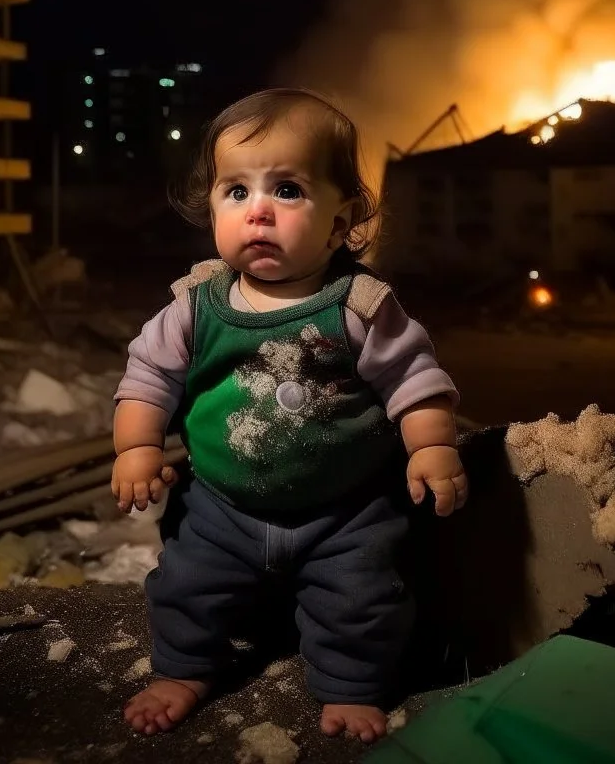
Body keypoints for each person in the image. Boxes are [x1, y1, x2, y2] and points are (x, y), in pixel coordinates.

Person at [112, 88, 467, 742]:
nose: (260, 213)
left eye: (288, 190)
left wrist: (430, 446)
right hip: (222, 505)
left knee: (364, 599)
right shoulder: (196, 305)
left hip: (346, 510)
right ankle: (186, 668)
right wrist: (137, 447)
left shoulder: (358, 305)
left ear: (341, 220)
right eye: (237, 192)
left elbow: (413, 376)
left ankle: (351, 684)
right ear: (211, 206)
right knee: (185, 587)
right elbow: (148, 374)